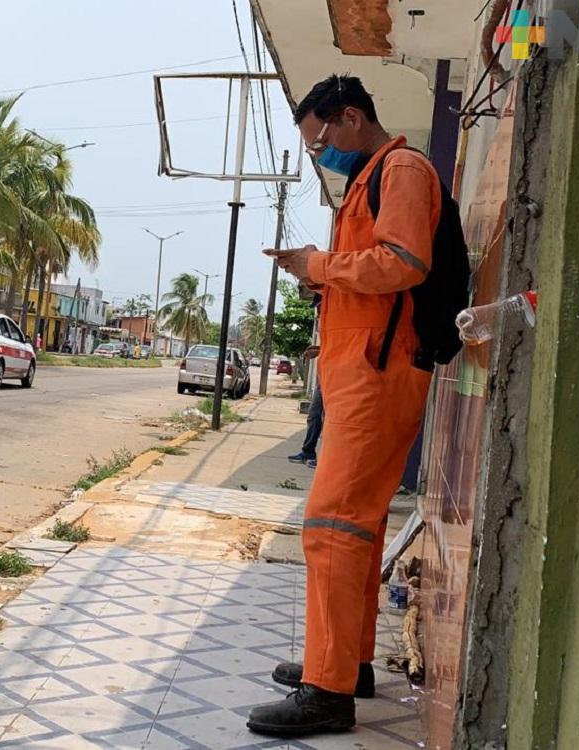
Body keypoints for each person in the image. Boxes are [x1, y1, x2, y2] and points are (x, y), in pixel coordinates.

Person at [247, 74, 441, 738]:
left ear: (350, 118)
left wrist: (321, 265)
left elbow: (404, 262)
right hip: (362, 371)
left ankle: (327, 691)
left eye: (319, 141)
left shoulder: (401, 170)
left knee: (331, 524)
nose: (318, 154)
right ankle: (347, 664)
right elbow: (375, 275)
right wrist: (318, 277)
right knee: (356, 525)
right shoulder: (368, 178)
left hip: (379, 373)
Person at [288, 346, 324, 468]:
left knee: (330, 422)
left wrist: (320, 350)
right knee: (314, 417)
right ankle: (308, 452)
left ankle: (326, 459)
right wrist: (320, 349)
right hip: (322, 381)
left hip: (337, 381)